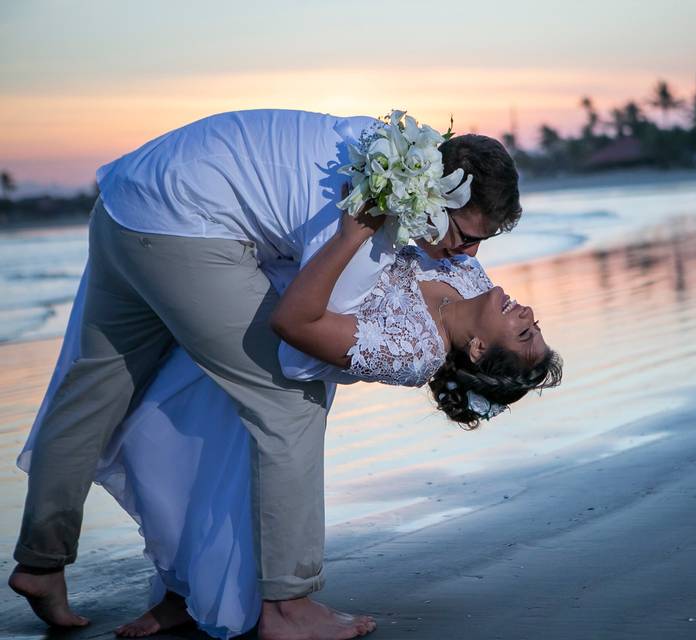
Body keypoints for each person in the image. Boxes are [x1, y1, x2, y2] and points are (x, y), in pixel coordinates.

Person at [8, 109, 561, 640]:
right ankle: (288, 602)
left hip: (128, 196)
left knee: (95, 386)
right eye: (465, 234)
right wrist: (352, 238)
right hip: (185, 226)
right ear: (434, 197)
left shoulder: (393, 155)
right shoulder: (381, 222)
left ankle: (42, 560)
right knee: (288, 404)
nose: (468, 252)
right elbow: (297, 329)